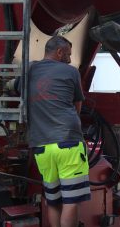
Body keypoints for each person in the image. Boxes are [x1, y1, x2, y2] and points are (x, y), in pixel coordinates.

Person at [28, 36, 90, 227]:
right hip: (68, 143)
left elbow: (15, 87)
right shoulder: (71, 72)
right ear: (59, 52)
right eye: (68, 55)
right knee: (71, 200)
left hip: (41, 148)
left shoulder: (30, 70)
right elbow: (77, 105)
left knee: (53, 200)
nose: (70, 60)